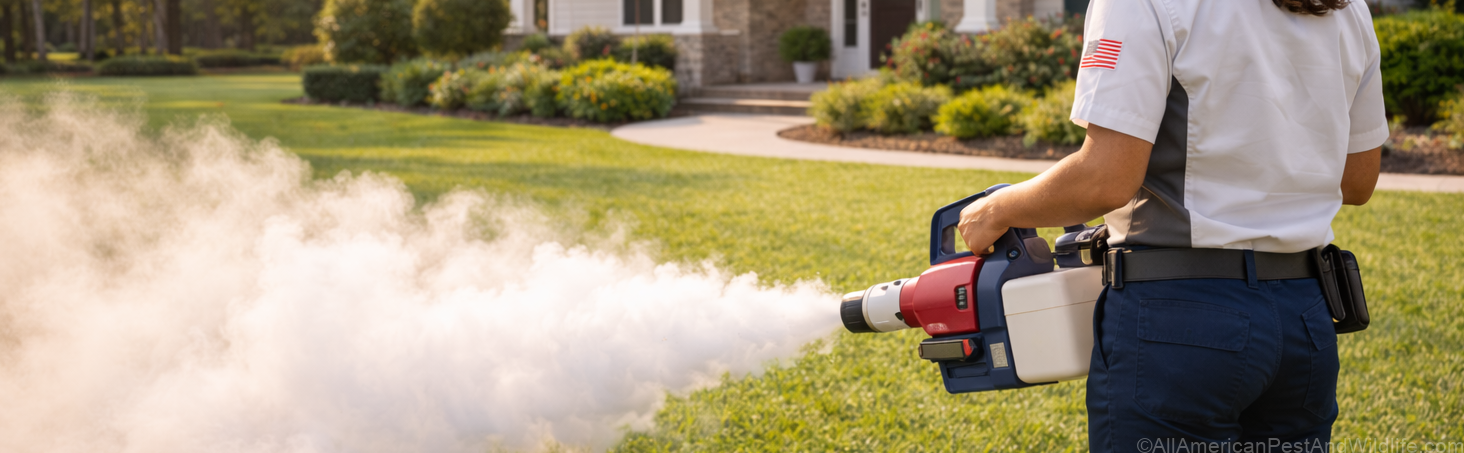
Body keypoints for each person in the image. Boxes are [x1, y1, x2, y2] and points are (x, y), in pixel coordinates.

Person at [956, 0, 1385, 450]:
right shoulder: (1348, 8)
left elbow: (1105, 178)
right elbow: (1357, 180)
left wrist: (996, 209)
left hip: (1183, 318)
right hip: (1305, 318)